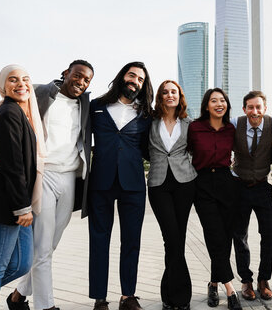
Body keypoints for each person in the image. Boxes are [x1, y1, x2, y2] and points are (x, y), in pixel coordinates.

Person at [0, 59, 94, 310]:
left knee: (49, 245)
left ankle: (18, 294)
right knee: (41, 247)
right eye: (78, 76)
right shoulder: (38, 91)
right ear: (66, 73)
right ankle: (45, 305)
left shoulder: (86, 104)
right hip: (44, 175)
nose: (81, 82)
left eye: (87, 80)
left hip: (70, 177)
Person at [0, 65, 45, 310]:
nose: (21, 84)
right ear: (2, 86)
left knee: (21, 264)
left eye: (25, 79)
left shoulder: (23, 113)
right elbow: (13, 164)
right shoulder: (7, 112)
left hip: (16, 203)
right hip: (1, 204)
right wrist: (21, 207)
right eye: (13, 80)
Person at [88, 61, 153, 310]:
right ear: (122, 76)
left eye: (140, 79)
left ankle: (128, 295)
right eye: (131, 75)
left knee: (131, 241)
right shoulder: (96, 106)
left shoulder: (146, 114)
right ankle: (99, 298)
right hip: (101, 182)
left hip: (133, 184)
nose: (135, 81)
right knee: (99, 240)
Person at [187, 88, 242, 310]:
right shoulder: (194, 127)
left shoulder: (231, 128)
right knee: (214, 235)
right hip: (202, 185)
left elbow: (259, 125)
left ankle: (213, 283)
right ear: (206, 105)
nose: (219, 103)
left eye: (223, 100)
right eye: (214, 100)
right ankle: (230, 290)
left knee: (225, 238)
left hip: (226, 183)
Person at [147, 80, 197, 310]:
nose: (169, 95)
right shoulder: (150, 121)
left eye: (173, 92)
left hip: (184, 183)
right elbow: (142, 147)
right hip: (158, 184)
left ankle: (170, 295)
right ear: (160, 96)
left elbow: (198, 149)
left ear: (180, 96)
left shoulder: (189, 124)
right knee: (172, 238)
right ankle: (182, 297)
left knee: (177, 240)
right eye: (165, 92)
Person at [230, 90, 272, 301]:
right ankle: (246, 280)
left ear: (265, 108)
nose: (254, 111)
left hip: (262, 187)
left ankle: (264, 279)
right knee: (239, 235)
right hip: (239, 186)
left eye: (258, 107)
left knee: (268, 234)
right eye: (250, 107)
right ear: (244, 109)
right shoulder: (235, 122)